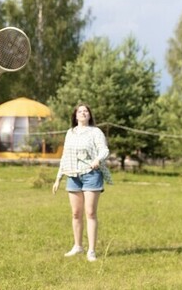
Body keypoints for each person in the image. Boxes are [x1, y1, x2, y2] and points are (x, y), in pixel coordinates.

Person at [52, 103, 112, 262]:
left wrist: (98, 160)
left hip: (91, 174)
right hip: (73, 175)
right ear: (75, 115)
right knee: (75, 213)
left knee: (90, 212)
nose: (83, 113)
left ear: (90, 115)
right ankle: (78, 246)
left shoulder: (95, 132)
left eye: (86, 111)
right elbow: (65, 156)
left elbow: (104, 150)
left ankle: (91, 251)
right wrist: (58, 177)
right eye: (80, 111)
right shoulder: (70, 133)